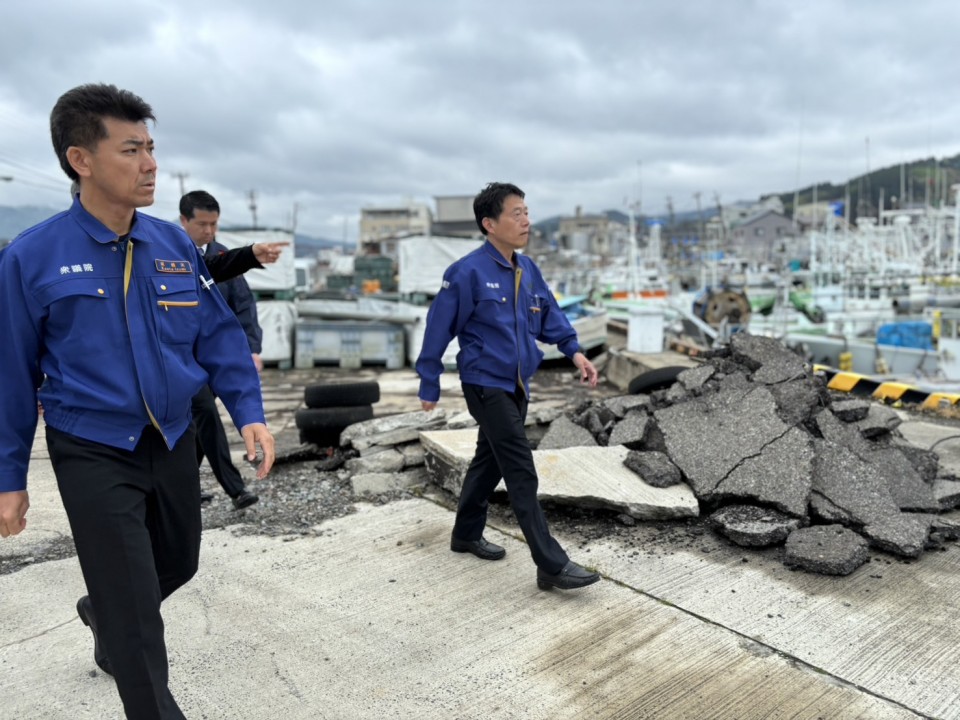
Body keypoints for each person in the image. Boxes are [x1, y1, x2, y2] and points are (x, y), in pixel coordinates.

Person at [0, 83, 275, 719]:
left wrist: (250, 411)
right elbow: (10, 375)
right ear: (82, 160)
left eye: (151, 148)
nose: (151, 164)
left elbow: (217, 335)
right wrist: (9, 475)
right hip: (92, 447)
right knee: (138, 622)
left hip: (174, 436)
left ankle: (104, 610)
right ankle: (127, 641)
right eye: (132, 150)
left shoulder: (173, 245)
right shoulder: (31, 257)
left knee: (177, 560)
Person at [416, 181, 601, 592]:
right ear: (489, 223)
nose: (526, 220)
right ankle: (550, 563)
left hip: (518, 384)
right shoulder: (466, 273)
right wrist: (429, 381)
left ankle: (465, 534)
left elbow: (550, 314)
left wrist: (575, 352)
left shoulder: (527, 269)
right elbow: (437, 329)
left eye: (526, 211)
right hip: (484, 383)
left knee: (490, 461)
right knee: (520, 469)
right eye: (516, 213)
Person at [180, 189, 269, 509]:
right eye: (202, 224)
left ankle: (183, 486)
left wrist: (253, 348)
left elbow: (244, 306)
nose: (209, 231)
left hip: (219, 358)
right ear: (184, 221)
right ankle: (236, 489)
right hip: (185, 361)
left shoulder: (223, 256)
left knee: (201, 426)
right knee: (206, 415)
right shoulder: (170, 255)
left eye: (214, 224)